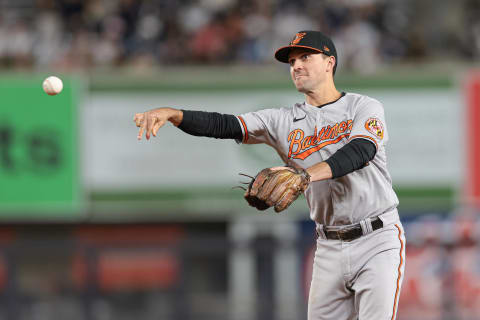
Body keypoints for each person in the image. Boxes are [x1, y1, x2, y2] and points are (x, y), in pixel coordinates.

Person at [134, 30, 405, 320]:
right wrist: (176, 115)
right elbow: (225, 125)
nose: (296, 66)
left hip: (376, 238)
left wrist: (304, 176)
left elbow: (360, 151)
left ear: (329, 63)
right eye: (291, 62)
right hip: (329, 246)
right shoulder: (283, 120)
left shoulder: (363, 107)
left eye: (305, 57)